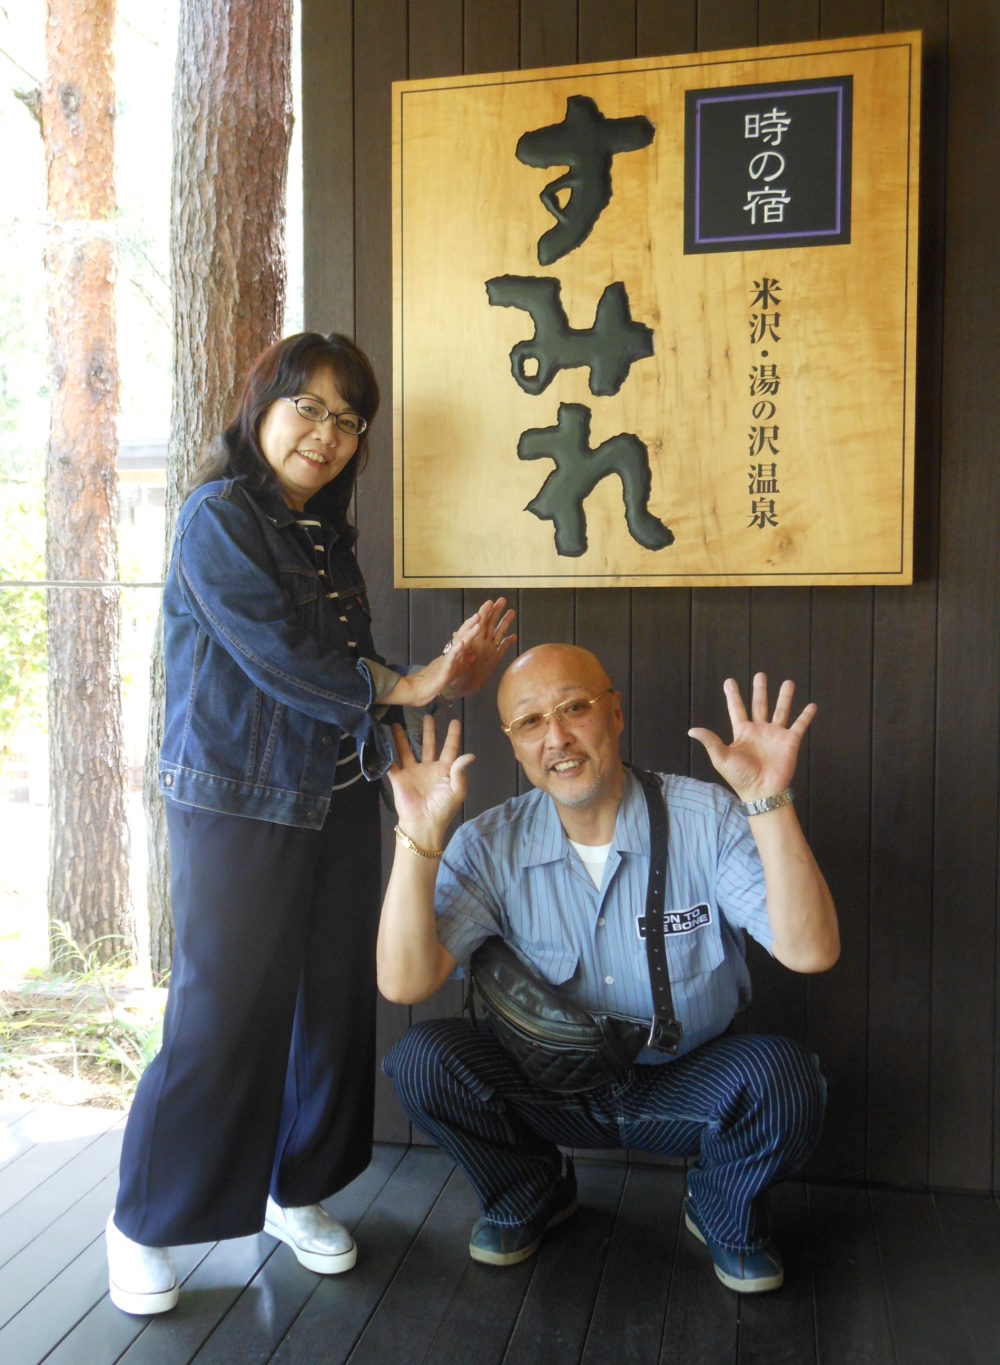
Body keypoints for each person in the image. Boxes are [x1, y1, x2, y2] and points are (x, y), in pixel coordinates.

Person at [105, 331, 516, 1316]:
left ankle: (296, 1190)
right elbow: (281, 657)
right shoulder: (216, 516)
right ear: (262, 408)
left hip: (335, 794)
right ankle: (143, 1220)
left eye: (349, 419)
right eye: (309, 407)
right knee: (220, 1011)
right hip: (234, 803)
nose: (327, 434)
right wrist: (417, 682)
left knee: (331, 1003)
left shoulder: (325, 535)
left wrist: (416, 705)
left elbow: (354, 669)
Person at [377, 643, 839, 1293]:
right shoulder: (488, 844)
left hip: (687, 1081)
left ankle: (720, 1204)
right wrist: (419, 837)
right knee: (422, 1061)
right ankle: (531, 1191)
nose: (557, 737)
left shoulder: (706, 818)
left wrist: (770, 800)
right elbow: (403, 982)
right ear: (513, 744)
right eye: (531, 722)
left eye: (575, 708)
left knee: (786, 1081)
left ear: (615, 714)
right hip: (550, 1084)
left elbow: (811, 951)